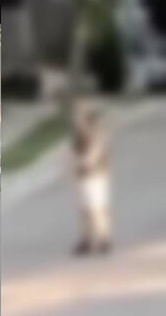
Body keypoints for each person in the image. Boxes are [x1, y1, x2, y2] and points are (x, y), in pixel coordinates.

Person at [72, 101, 112, 256]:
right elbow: (74, 152)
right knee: (85, 210)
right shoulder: (81, 133)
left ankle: (103, 239)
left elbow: (95, 152)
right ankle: (87, 239)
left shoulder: (96, 132)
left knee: (97, 208)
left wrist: (85, 162)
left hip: (96, 176)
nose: (76, 118)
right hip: (84, 176)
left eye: (79, 115)